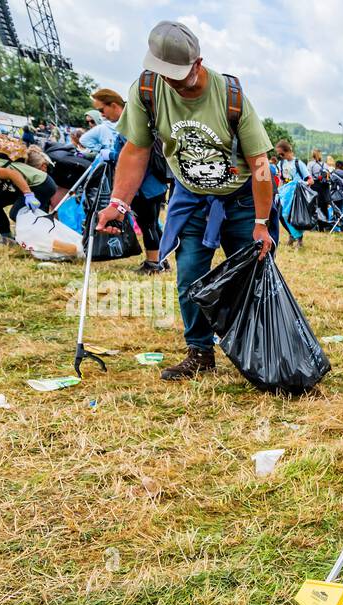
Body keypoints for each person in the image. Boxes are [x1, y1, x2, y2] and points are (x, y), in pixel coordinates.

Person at [94, 19, 277, 381]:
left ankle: (258, 351)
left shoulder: (231, 95)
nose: (173, 81)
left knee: (251, 277)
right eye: (165, 74)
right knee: (191, 274)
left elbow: (260, 164)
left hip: (239, 200)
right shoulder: (146, 90)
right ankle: (200, 352)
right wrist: (119, 202)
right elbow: (136, 149)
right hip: (190, 198)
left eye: (179, 73)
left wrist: (260, 223)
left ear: (198, 62)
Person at [90, 88, 170, 274]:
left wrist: (112, 154)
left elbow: (135, 155)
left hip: (144, 186)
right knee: (153, 224)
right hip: (154, 185)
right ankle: (161, 260)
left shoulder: (131, 124)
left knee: (148, 225)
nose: (101, 115)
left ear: (114, 105)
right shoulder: (136, 120)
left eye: (102, 110)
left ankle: (153, 263)